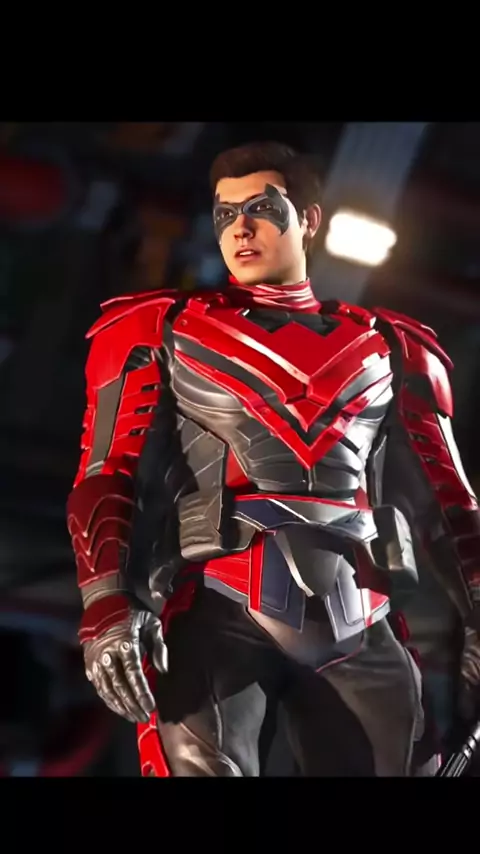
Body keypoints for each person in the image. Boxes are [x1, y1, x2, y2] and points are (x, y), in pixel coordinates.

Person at [66, 141, 480, 777]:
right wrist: (105, 602)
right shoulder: (158, 329)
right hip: (218, 605)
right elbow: (105, 474)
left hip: (361, 610)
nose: (240, 228)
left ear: (308, 219)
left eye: (260, 208)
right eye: (224, 214)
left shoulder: (394, 346)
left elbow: (450, 504)